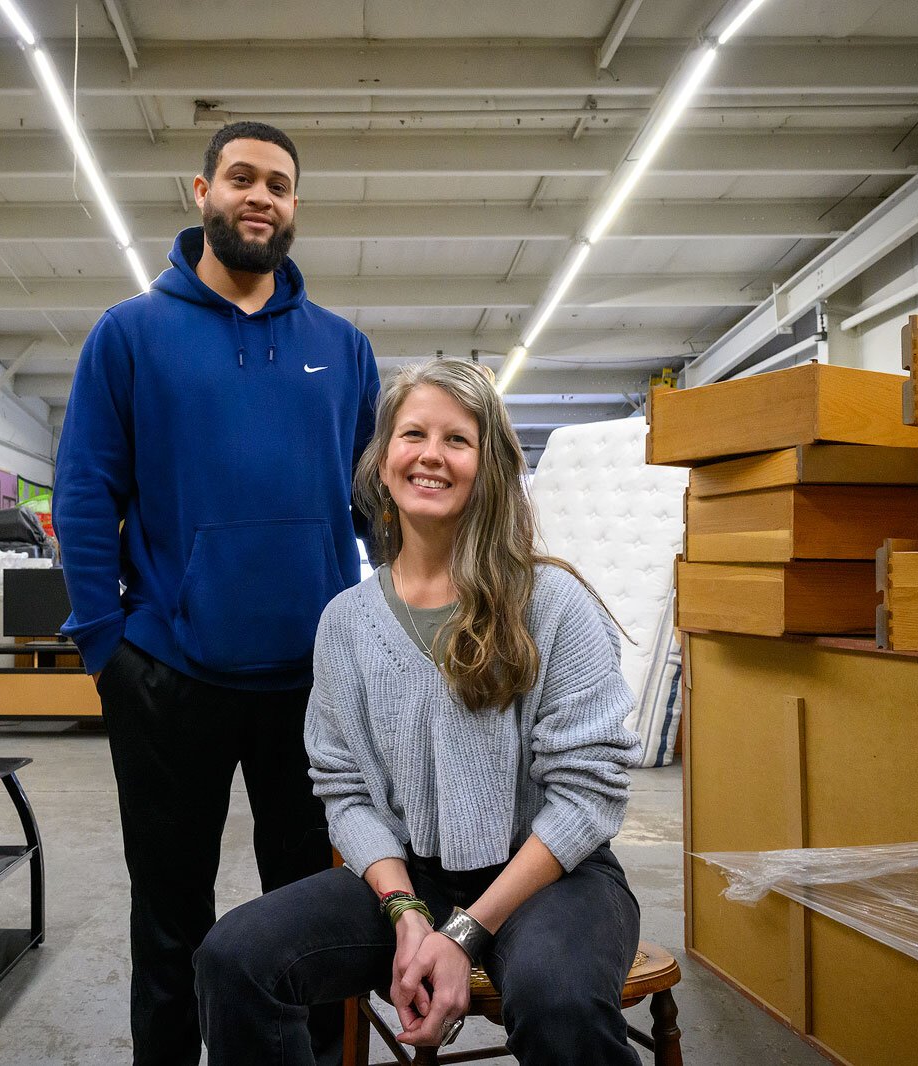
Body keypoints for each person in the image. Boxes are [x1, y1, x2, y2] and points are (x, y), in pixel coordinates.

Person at [195, 358, 645, 1065]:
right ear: (382, 462)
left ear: (488, 464)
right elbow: (344, 791)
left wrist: (463, 933)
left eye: (457, 440)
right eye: (413, 434)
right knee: (236, 957)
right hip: (414, 875)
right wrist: (406, 912)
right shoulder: (345, 623)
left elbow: (587, 796)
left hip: (553, 875)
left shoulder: (553, 605)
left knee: (558, 999)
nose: (431, 455)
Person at [52, 121, 380, 1066]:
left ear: (293, 208)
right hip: (169, 680)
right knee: (169, 919)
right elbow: (83, 495)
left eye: (278, 184)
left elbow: (373, 507)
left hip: (313, 688)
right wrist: (106, 649)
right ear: (201, 193)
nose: (260, 196)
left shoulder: (343, 348)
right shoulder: (129, 334)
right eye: (241, 177)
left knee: (314, 916)